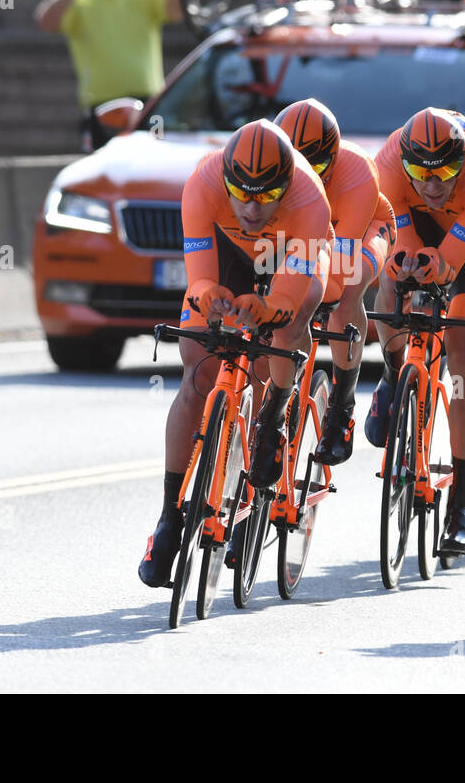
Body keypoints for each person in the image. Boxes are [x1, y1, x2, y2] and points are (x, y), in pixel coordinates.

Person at [138, 120, 333, 588]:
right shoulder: (202, 184)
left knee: (281, 334)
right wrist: (208, 297)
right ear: (226, 178)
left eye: (265, 196)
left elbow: (286, 300)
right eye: (240, 193)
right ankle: (169, 517)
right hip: (228, 254)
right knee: (198, 371)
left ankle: (274, 418)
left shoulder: (309, 201)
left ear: (285, 186)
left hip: (286, 255)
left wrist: (266, 308)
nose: (249, 207)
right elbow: (201, 278)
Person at [366, 107, 465, 556]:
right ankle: (394, 377)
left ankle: (461, 506)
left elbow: (449, 264)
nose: (432, 185)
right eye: (421, 173)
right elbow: (403, 240)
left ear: (461, 161)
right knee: (394, 277)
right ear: (406, 162)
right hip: (419, 222)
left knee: (464, 354)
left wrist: (433, 268)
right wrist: (405, 263)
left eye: (446, 171)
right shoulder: (389, 163)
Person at [274, 99, 395, 465]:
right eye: (294, 165)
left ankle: (342, 404)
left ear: (334, 156)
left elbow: (336, 274)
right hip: (309, 231)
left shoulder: (357, 170)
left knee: (344, 292)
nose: (306, 175)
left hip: (366, 228)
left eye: (317, 165)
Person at [34, 0, 182, 152]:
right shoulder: (80, 2)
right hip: (99, 107)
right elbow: (45, 21)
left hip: (148, 104)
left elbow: (184, 7)